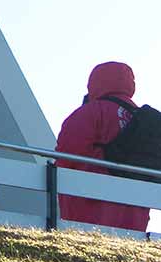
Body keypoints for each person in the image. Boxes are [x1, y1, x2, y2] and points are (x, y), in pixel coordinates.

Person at [54, 61, 153, 231]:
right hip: (135, 215)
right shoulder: (146, 121)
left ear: (94, 83)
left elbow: (66, 155)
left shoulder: (89, 113)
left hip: (91, 208)